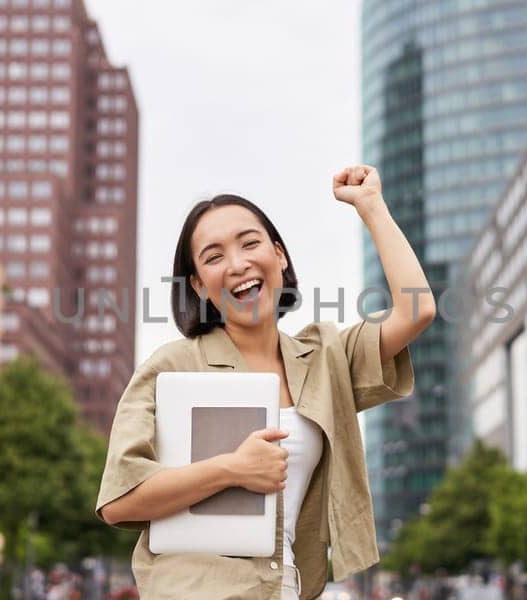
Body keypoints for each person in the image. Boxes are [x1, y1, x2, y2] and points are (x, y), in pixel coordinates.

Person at [97, 165, 436, 600]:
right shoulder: (172, 367)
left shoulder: (325, 357)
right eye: (214, 256)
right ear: (199, 285)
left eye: (250, 243)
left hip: (287, 587)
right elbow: (119, 501)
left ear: (279, 255)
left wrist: (371, 206)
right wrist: (230, 469)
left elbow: (417, 311)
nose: (237, 264)